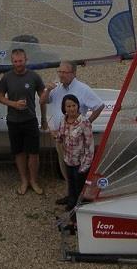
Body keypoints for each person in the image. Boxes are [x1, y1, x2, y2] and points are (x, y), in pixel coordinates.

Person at [40, 60, 104, 204]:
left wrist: (85, 124)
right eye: (59, 72)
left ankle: (79, 198)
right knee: (65, 167)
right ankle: (71, 195)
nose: (61, 75)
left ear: (73, 73)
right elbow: (42, 101)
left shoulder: (83, 89)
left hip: (77, 139)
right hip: (61, 135)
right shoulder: (57, 88)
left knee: (78, 170)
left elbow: (99, 106)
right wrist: (48, 90)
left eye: (64, 72)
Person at [0, 47, 46, 195]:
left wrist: (43, 118)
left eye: (21, 61)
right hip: (13, 120)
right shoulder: (7, 77)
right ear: (12, 61)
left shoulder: (34, 77)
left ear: (26, 60)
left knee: (34, 153)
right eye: (15, 61)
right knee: (19, 152)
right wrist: (12, 104)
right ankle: (24, 180)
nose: (18, 64)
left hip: (30, 119)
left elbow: (43, 99)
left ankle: (33, 181)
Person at [56, 94, 94, 229]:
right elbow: (61, 137)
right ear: (64, 108)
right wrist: (57, 137)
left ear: (78, 106)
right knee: (71, 185)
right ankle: (71, 206)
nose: (71, 109)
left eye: (74, 105)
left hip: (80, 163)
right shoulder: (63, 120)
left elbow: (90, 146)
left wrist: (85, 166)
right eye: (68, 106)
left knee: (80, 189)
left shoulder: (84, 122)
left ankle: (80, 214)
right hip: (68, 160)